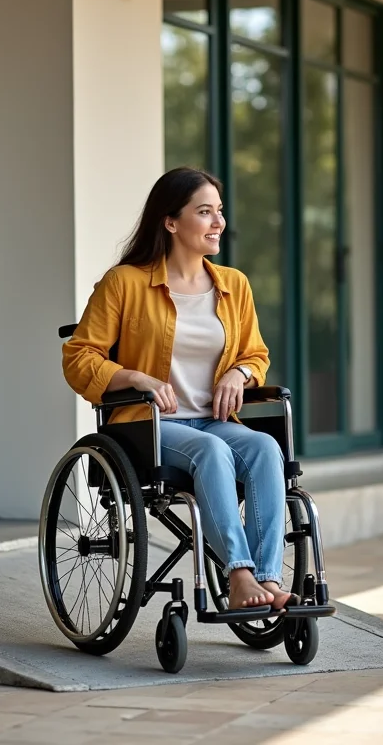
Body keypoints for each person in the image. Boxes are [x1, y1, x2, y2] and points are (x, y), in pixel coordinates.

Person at [63, 167, 296, 611]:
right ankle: (239, 577)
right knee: (213, 453)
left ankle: (266, 578)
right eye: (204, 212)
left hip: (214, 422)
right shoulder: (125, 283)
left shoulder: (234, 285)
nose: (218, 223)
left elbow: (256, 354)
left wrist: (240, 375)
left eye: (219, 212)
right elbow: (80, 357)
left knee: (265, 448)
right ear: (170, 222)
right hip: (148, 426)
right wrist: (135, 377)